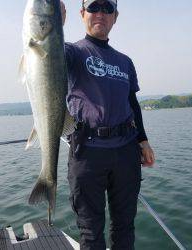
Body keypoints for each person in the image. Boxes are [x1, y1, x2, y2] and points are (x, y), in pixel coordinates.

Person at [61, 1, 155, 249]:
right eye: (93, 7)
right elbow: (45, 56)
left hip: (126, 150)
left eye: (107, 9)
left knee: (125, 227)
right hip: (87, 152)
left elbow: (132, 103)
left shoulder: (125, 61)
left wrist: (143, 140)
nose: (100, 13)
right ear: (82, 14)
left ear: (115, 17)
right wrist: (53, 23)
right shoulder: (72, 52)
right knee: (91, 233)